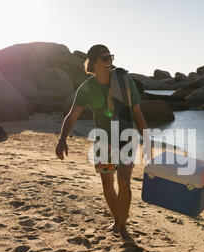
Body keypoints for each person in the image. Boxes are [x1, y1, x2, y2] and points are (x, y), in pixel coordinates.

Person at [55, 44, 150, 241]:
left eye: (111, 57)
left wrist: (147, 141)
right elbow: (72, 115)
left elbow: (138, 113)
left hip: (126, 137)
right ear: (93, 63)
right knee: (107, 182)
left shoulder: (125, 81)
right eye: (104, 59)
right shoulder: (88, 87)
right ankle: (117, 219)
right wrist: (62, 140)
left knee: (124, 181)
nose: (110, 62)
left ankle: (123, 226)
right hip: (104, 140)